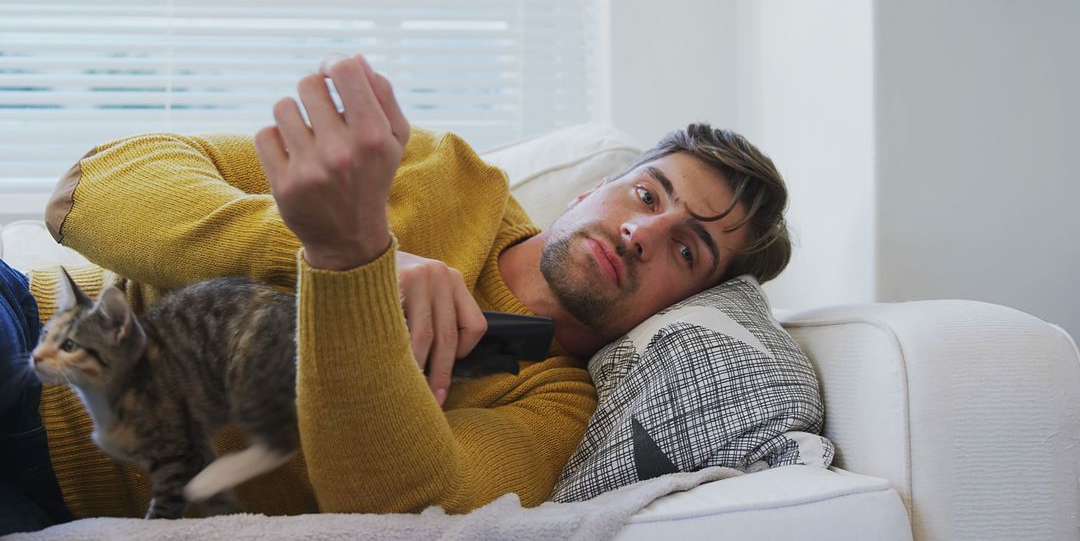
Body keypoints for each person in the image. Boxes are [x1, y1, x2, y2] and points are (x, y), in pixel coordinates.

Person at [2, 54, 791, 531]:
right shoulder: (443, 172)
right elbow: (89, 188)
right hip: (30, 316)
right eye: (648, 196)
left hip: (62, 479)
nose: (640, 234)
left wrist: (351, 271)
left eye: (685, 251)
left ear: (679, 306)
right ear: (597, 189)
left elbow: (401, 505)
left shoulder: (556, 408)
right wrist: (328, 249)